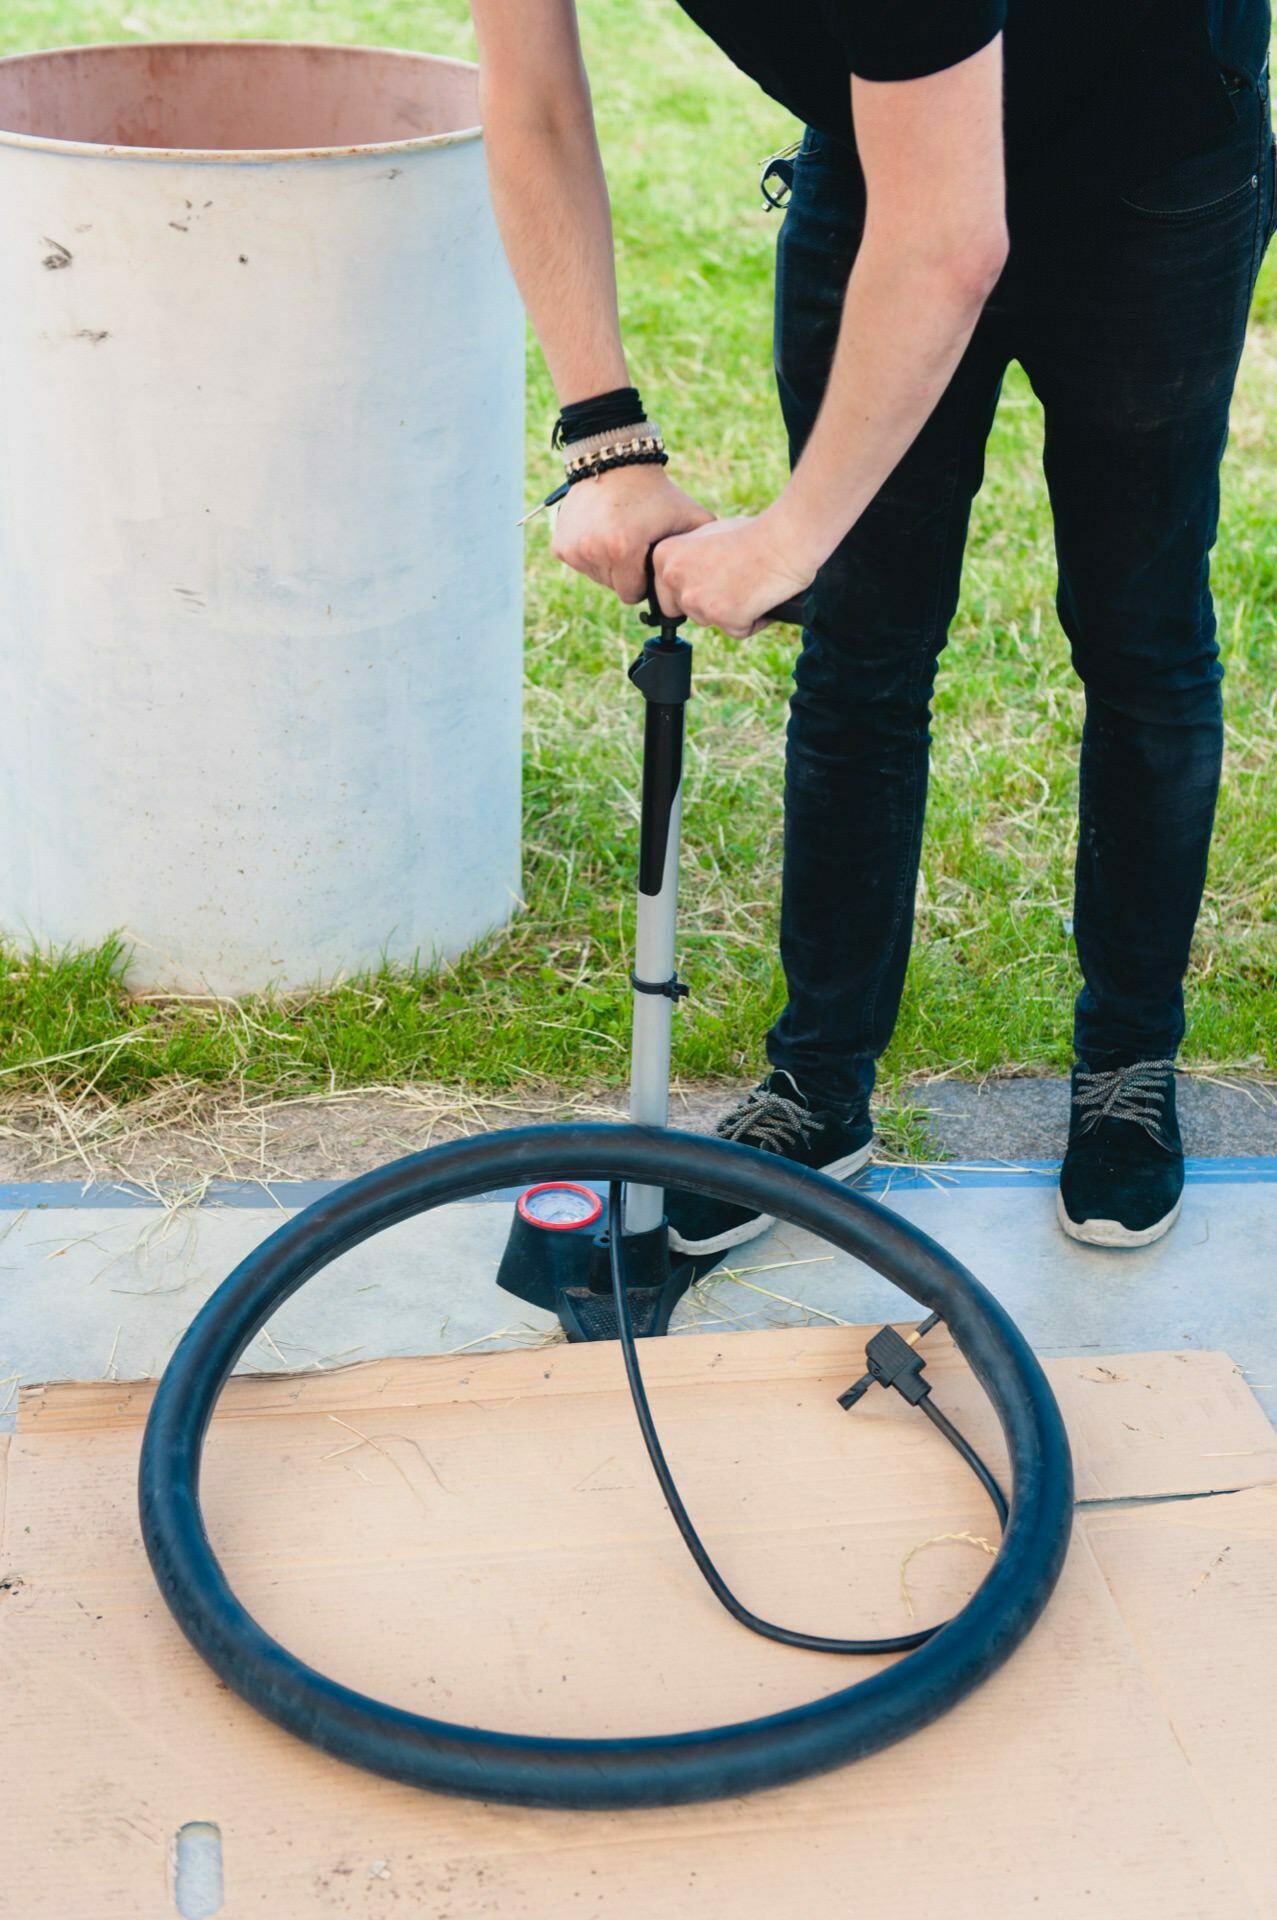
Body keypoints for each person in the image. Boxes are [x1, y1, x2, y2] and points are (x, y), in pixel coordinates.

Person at [469, 2, 1275, 1255]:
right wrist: (604, 441)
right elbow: (528, 103)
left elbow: (953, 241)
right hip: (887, 135)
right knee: (863, 648)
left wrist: (789, 540)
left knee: (1137, 634)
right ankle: (818, 1088)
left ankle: (1126, 1068)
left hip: (1152, 161)